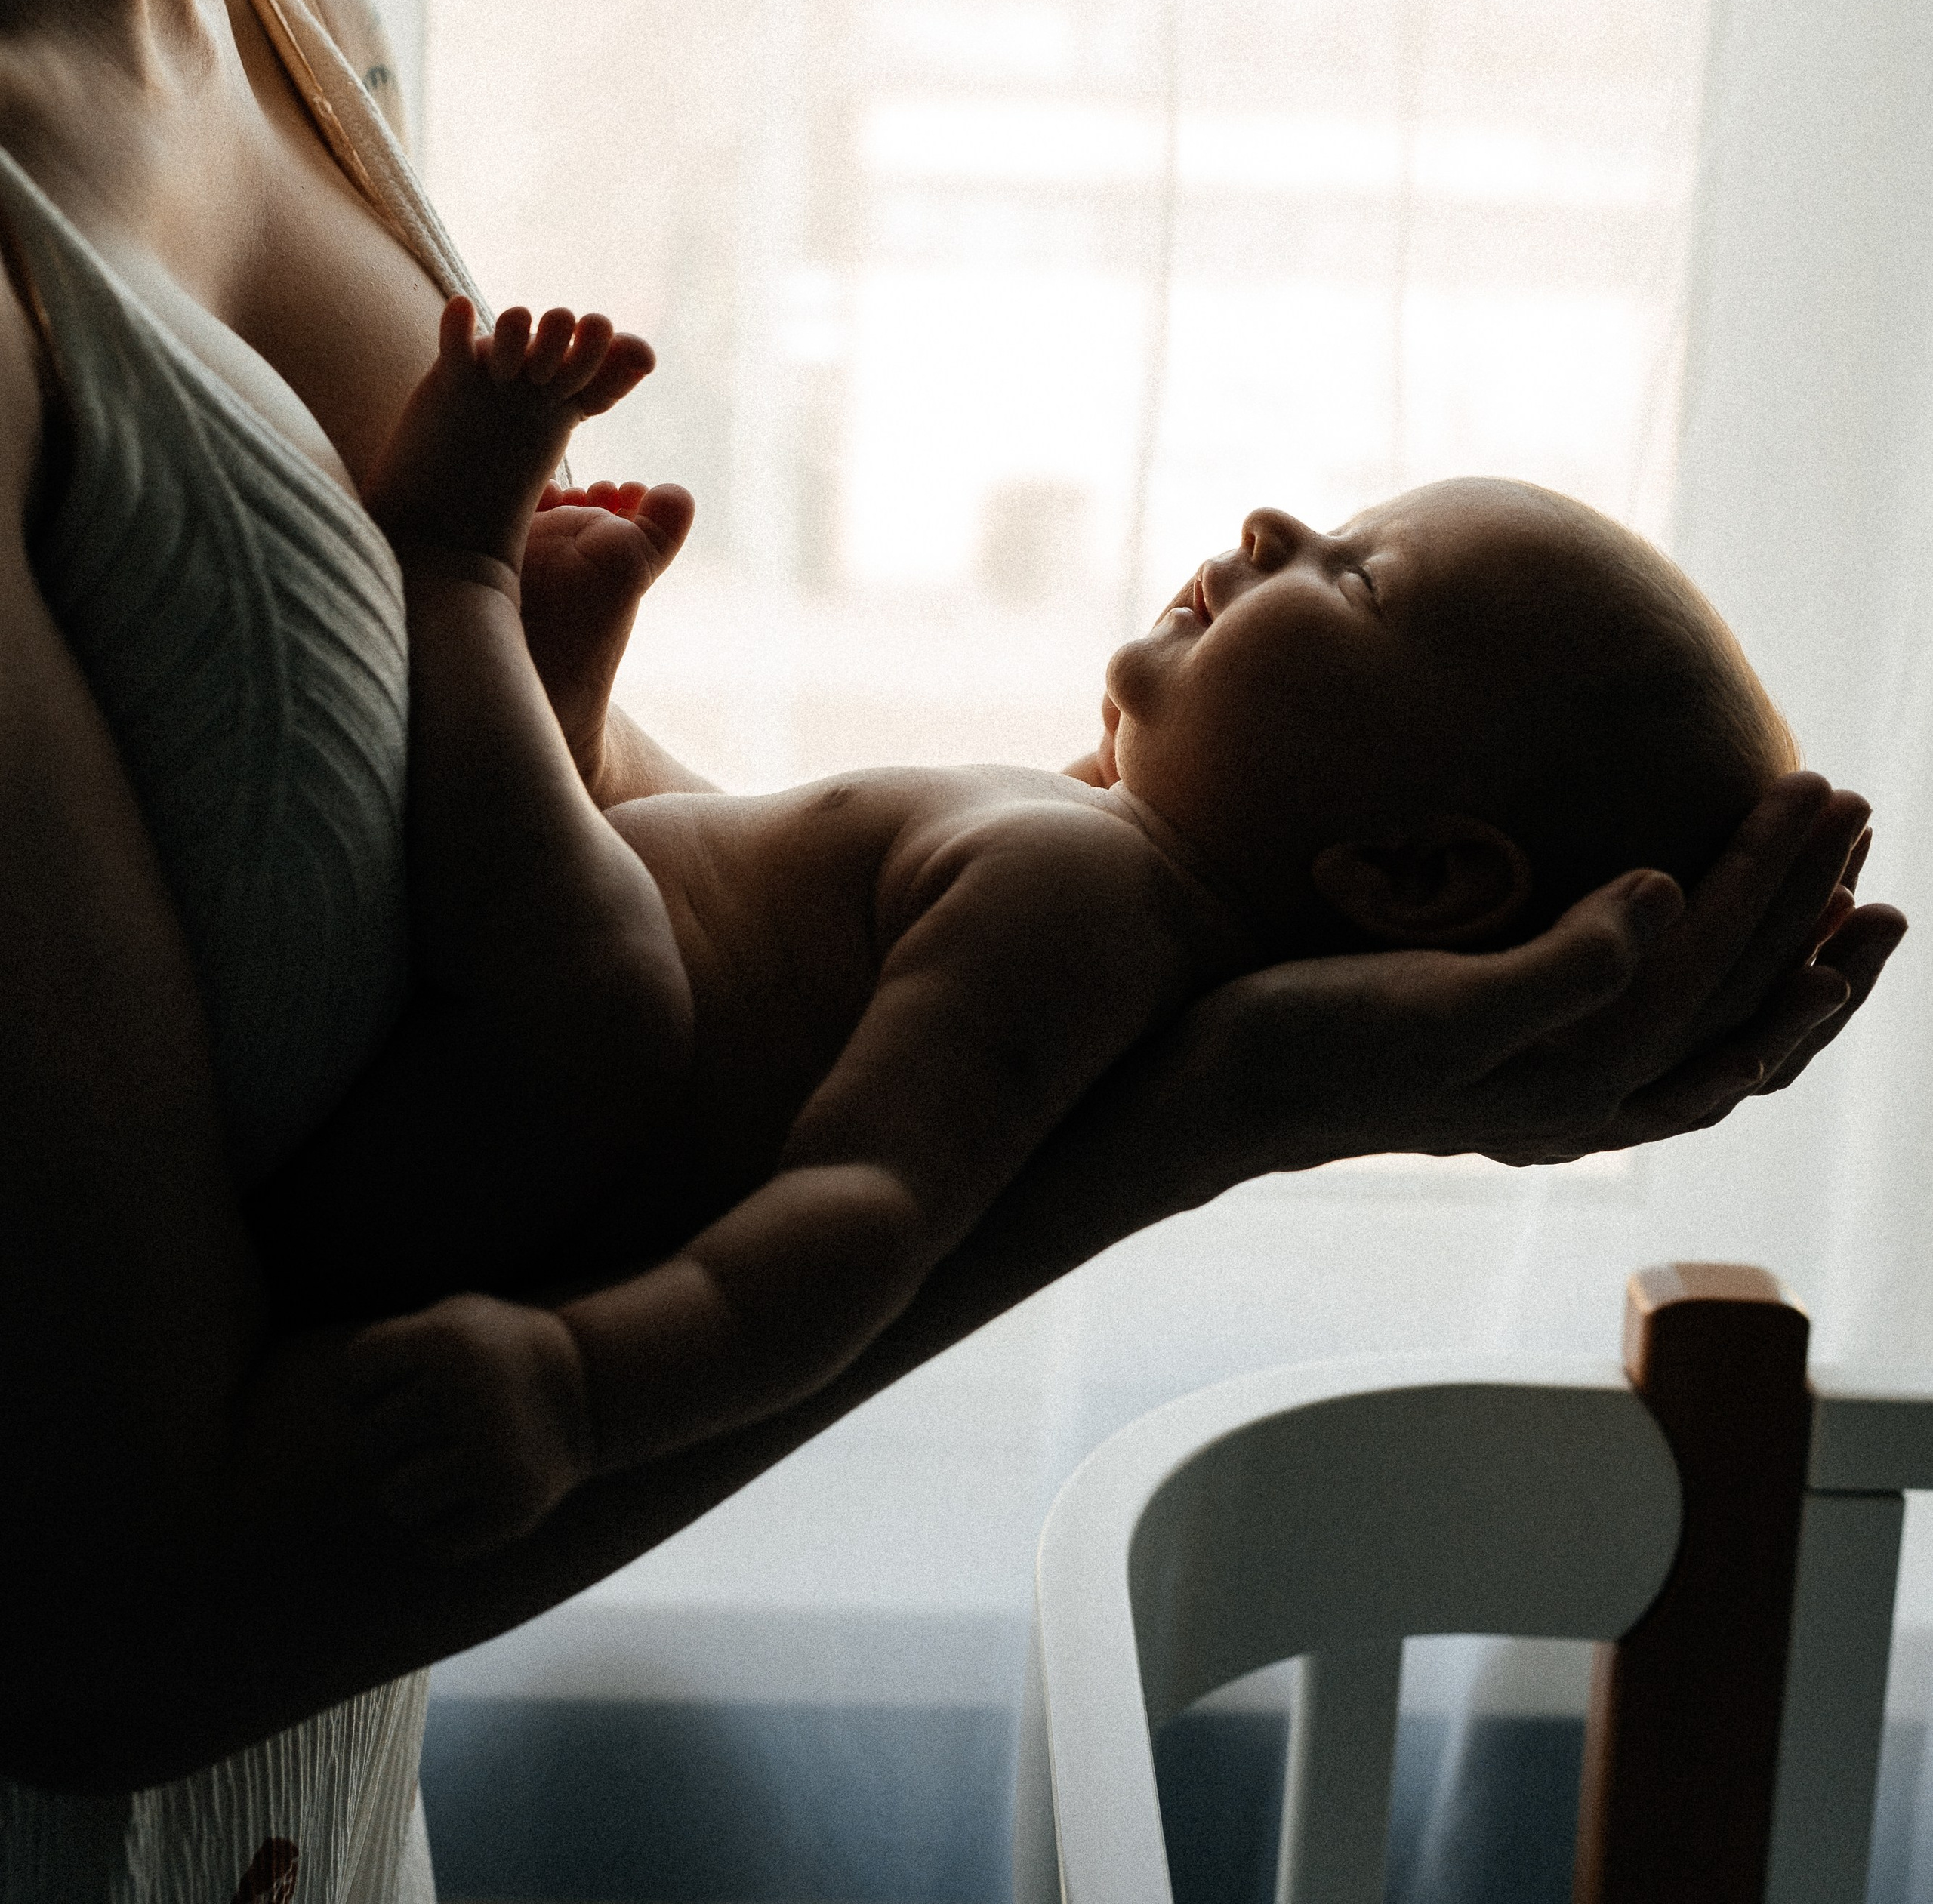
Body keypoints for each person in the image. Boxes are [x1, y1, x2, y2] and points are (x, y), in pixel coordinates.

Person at [0, 0, 1898, 1893]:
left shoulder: (292, 47)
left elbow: (627, 951)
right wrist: (1193, 1109)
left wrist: (1205, 966)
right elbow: (102, 1615)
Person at [276, 289, 1800, 1563]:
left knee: (610, 980)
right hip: (484, 1091)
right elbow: (740, 919)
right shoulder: (1088, 854)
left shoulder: (1087, 907)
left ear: (1408, 875)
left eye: (1356, 577)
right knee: (622, 940)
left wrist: (576, 1384)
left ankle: (443, 565)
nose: (1271, 522)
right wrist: (580, 701)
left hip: (468, 1153)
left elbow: (860, 1210)